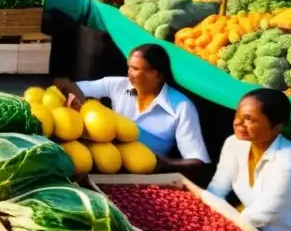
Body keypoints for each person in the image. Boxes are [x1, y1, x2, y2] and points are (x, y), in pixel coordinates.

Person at [55, 43, 210, 175]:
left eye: (135, 69)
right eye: (129, 67)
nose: (129, 74)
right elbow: (65, 84)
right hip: (107, 165)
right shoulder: (118, 85)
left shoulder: (181, 107)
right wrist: (78, 101)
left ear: (153, 74)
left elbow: (197, 162)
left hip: (145, 177)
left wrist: (165, 164)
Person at [208, 89, 291, 231]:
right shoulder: (234, 143)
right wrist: (202, 212)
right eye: (237, 115)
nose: (238, 123)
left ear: (276, 128)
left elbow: (264, 212)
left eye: (249, 119)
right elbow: (218, 187)